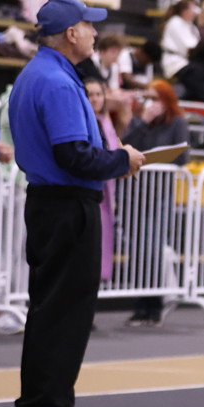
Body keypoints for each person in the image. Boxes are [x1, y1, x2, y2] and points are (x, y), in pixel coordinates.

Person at [6, 0, 145, 407]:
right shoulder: (59, 82)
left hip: (49, 202)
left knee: (50, 308)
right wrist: (121, 159)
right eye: (89, 25)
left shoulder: (37, 74)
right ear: (71, 33)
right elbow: (74, 156)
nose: (94, 33)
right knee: (65, 313)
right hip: (67, 205)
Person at [122, 82, 191, 326]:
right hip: (135, 194)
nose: (150, 103)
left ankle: (153, 306)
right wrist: (143, 121)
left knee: (152, 249)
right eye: (147, 98)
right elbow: (124, 147)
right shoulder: (140, 121)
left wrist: (153, 160)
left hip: (160, 194)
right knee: (137, 251)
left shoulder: (177, 122)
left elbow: (182, 156)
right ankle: (139, 306)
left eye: (155, 98)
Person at [84, 77, 122, 285]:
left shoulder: (106, 122)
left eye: (99, 94)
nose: (95, 98)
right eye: (90, 94)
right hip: (88, 190)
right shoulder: (82, 121)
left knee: (101, 241)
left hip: (106, 191)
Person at [160, 0, 200, 78]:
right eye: (193, 9)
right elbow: (189, 46)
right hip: (176, 63)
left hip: (188, 62)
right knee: (199, 72)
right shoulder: (175, 22)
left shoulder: (192, 27)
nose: (195, 13)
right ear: (184, 10)